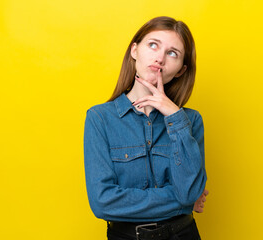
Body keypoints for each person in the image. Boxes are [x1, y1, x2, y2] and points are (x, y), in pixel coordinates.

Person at [84, 16, 208, 240]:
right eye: (153, 45)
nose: (160, 58)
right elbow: (103, 203)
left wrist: (175, 117)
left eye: (173, 53)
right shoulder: (99, 118)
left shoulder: (190, 121)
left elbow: (189, 192)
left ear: (180, 70)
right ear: (134, 51)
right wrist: (181, 201)